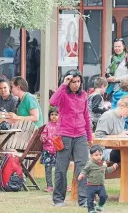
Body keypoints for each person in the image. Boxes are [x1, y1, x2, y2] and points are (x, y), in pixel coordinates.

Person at [50, 70, 92, 208]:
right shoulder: (63, 93)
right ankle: (58, 199)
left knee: (83, 168)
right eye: (73, 82)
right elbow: (52, 101)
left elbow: (86, 116)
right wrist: (63, 84)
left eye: (78, 81)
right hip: (64, 135)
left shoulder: (84, 95)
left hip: (81, 135)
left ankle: (83, 200)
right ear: (68, 82)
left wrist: (89, 136)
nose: (76, 84)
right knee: (61, 169)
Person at [95, 96, 128, 163]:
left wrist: (124, 133)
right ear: (122, 106)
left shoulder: (122, 118)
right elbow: (98, 137)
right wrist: (118, 135)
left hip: (116, 148)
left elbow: (116, 133)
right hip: (104, 151)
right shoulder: (107, 116)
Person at [78, 145, 118, 213]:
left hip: (100, 185)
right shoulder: (90, 163)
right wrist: (82, 174)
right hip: (91, 185)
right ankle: (91, 210)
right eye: (96, 155)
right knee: (90, 199)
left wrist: (113, 168)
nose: (99, 156)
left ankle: (100, 205)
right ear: (91, 156)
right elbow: (85, 170)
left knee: (104, 196)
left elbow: (107, 170)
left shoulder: (103, 164)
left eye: (100, 154)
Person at [40, 107, 59, 193]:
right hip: (47, 150)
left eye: (56, 114)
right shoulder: (47, 126)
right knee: (48, 169)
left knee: (60, 169)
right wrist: (43, 138)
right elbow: (43, 136)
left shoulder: (61, 126)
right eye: (52, 114)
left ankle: (61, 185)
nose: (54, 116)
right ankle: (49, 185)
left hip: (58, 151)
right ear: (49, 116)